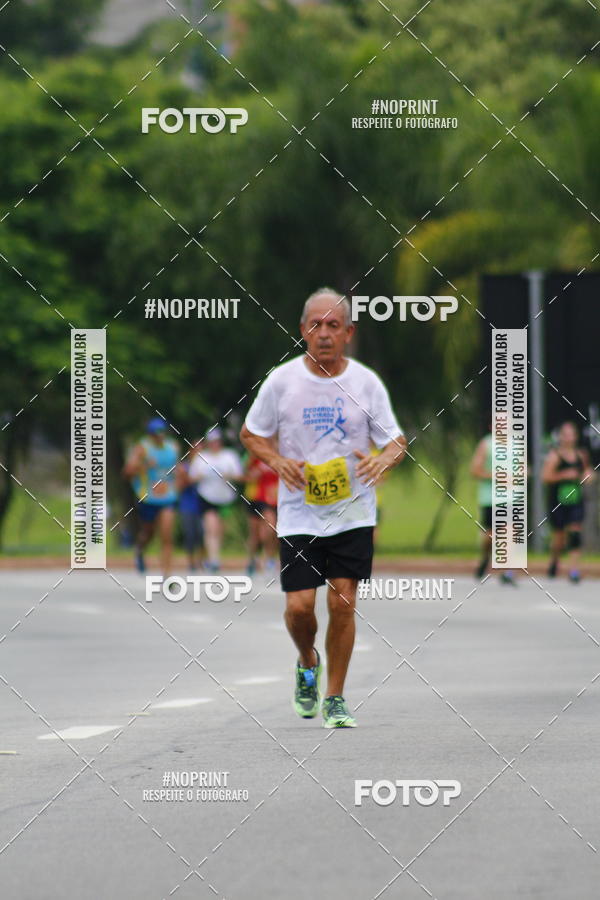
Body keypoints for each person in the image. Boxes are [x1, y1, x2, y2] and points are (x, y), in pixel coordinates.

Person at [240, 287, 406, 728]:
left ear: (349, 333)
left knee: (342, 603)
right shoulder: (282, 381)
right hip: (299, 514)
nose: (324, 333)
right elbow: (251, 434)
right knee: (299, 608)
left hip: (353, 513)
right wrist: (277, 461)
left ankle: (334, 697)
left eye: (334, 325)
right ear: (303, 330)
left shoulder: (366, 383)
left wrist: (382, 459)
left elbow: (396, 440)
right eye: (316, 325)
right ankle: (307, 660)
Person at [123, 417, 179, 576]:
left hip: (168, 497)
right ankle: (140, 549)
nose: (160, 436)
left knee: (167, 535)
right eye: (156, 433)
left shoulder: (173, 447)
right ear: (150, 434)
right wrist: (143, 465)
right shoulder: (142, 448)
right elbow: (127, 472)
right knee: (149, 532)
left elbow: (176, 471)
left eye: (162, 432)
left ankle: (167, 574)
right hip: (148, 498)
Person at [542, 421, 594, 582]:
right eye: (565, 435)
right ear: (561, 437)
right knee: (559, 538)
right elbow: (546, 477)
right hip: (558, 501)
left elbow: (587, 472)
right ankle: (554, 560)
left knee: (575, 532)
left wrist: (588, 476)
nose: (569, 438)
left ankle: (574, 570)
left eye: (572, 434)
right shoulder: (554, 456)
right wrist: (563, 475)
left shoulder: (581, 455)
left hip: (575, 500)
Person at [189, 427, 244, 572]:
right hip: (207, 497)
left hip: (225, 498)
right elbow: (191, 477)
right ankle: (214, 560)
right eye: (213, 441)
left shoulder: (229, 456)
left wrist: (229, 475)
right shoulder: (201, 457)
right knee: (211, 527)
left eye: (217, 441)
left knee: (220, 529)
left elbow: (240, 476)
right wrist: (200, 476)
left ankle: (213, 556)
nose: (215, 444)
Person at [470, 422, 516, 585]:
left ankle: (507, 570)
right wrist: (496, 477)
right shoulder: (486, 444)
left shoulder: (516, 444)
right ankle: (485, 557)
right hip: (490, 498)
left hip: (511, 498)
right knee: (491, 535)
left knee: (509, 532)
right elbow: (475, 470)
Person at [244, 453, 278, 575]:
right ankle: (252, 560)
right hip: (256, 498)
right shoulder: (255, 456)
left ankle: (269, 559)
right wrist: (254, 474)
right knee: (255, 534)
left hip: (273, 499)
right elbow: (247, 476)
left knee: (271, 528)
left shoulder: (280, 455)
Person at [177, 438, 205, 571]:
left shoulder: (207, 466)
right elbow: (179, 487)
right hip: (187, 505)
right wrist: (188, 478)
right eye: (196, 450)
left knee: (202, 533)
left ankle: (201, 561)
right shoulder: (184, 467)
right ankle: (191, 561)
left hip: (203, 505)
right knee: (190, 534)